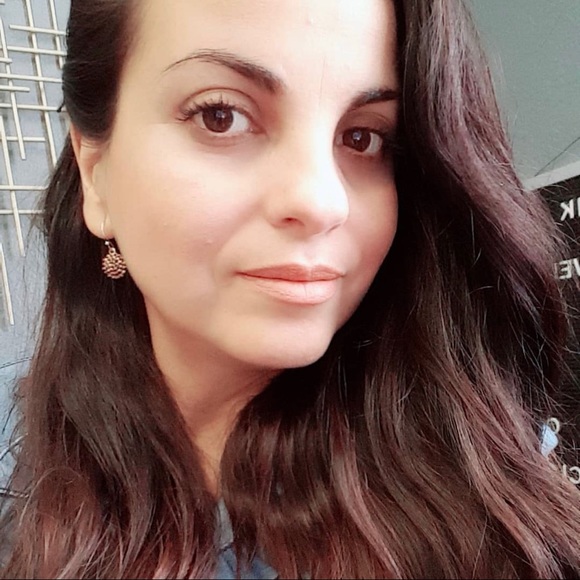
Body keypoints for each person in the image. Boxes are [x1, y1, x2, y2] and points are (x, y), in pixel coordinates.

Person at [1, 0, 579, 577]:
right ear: (96, 172)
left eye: (363, 137)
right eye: (221, 116)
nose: (321, 202)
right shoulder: (17, 458)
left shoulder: (485, 485)